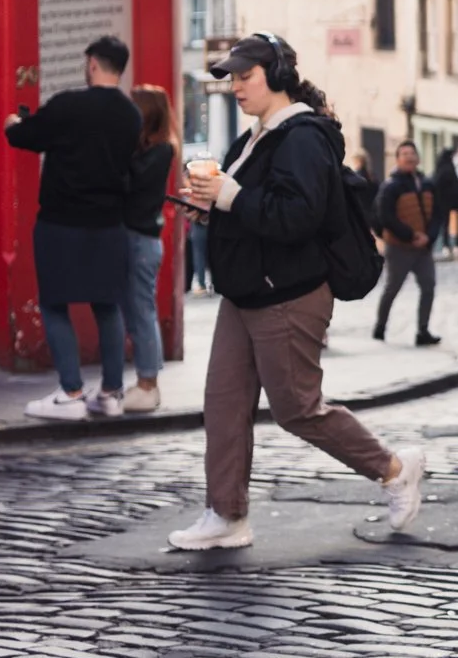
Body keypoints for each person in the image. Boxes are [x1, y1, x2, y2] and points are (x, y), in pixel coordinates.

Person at [168, 33, 426, 551]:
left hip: (288, 294)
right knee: (223, 404)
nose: (236, 87)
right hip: (246, 292)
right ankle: (226, 515)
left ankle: (395, 470)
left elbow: (297, 216)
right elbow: (247, 206)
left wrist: (231, 196)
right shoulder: (254, 137)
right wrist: (209, 205)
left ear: (278, 75)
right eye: (232, 78)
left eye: (246, 77)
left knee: (298, 410)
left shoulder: (302, 137)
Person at [5, 37, 141, 421]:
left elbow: (25, 137)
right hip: (109, 222)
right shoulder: (131, 115)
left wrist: (13, 123)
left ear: (93, 64)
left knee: (54, 302)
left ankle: (71, 392)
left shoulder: (70, 105)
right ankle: (112, 393)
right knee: (107, 304)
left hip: (62, 221)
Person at [118, 84, 179, 414]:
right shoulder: (147, 148)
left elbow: (132, 183)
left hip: (140, 240)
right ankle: (146, 380)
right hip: (133, 237)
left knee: (141, 310)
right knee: (135, 310)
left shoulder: (160, 151)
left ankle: (148, 383)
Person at [373, 141, 440, 346]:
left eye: (412, 153)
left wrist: (429, 236)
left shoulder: (427, 183)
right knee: (392, 288)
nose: (409, 157)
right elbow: (385, 216)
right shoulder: (391, 186)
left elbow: (437, 213)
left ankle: (423, 331)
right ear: (398, 159)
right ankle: (380, 327)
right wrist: (410, 235)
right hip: (399, 247)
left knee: (428, 286)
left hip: (423, 249)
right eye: (405, 153)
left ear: (418, 158)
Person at [429, 143, 458, 258]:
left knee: (447, 224)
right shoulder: (448, 169)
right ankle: (454, 245)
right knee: (453, 224)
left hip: (445, 201)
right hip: (450, 201)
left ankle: (449, 245)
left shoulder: (441, 169)